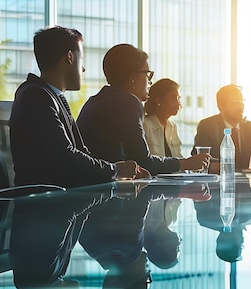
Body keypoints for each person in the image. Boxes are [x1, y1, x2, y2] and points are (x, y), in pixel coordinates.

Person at [9, 26, 149, 188]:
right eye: (81, 59)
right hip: (48, 204)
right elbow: (67, 156)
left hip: (61, 197)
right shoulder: (36, 96)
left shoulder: (52, 97)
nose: (83, 69)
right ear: (70, 57)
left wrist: (115, 169)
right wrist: (115, 170)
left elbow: (81, 152)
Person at [77, 43, 209, 175]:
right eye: (148, 75)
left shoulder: (94, 101)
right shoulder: (128, 102)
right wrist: (185, 163)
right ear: (133, 77)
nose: (150, 82)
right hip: (107, 189)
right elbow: (143, 161)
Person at [191, 84, 251, 171]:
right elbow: (198, 156)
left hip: (243, 183)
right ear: (221, 107)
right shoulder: (207, 126)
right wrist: (213, 166)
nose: (241, 106)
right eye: (235, 102)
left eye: (242, 101)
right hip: (215, 182)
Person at [143, 78, 183, 158]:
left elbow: (179, 159)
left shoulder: (172, 126)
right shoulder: (145, 125)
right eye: (173, 97)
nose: (178, 103)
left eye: (178, 98)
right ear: (158, 99)